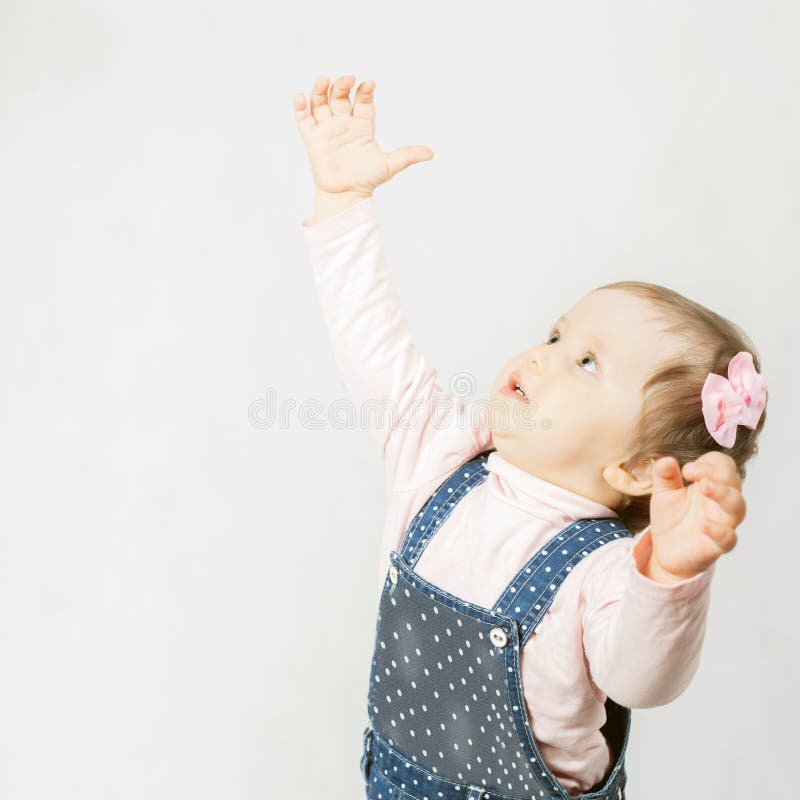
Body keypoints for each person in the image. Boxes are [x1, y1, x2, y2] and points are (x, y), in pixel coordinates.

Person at [292, 74, 768, 800]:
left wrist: (671, 576)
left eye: (587, 362)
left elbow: (642, 678)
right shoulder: (438, 452)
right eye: (555, 335)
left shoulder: (604, 570)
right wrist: (343, 203)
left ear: (638, 467)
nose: (544, 356)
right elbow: (370, 341)